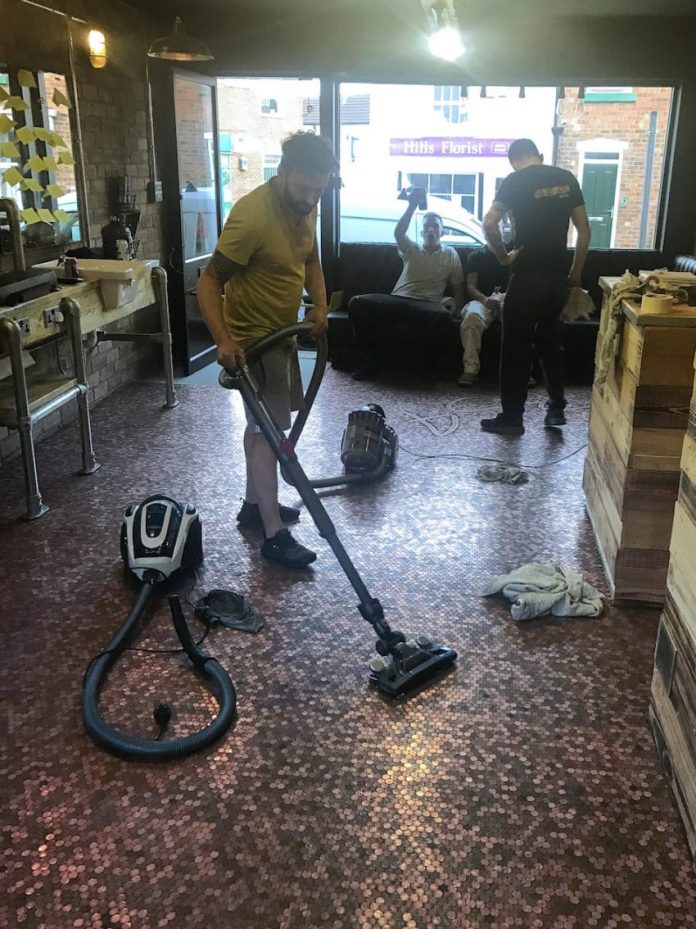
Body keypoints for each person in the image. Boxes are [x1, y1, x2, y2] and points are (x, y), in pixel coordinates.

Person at [196, 130, 338, 569]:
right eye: (304, 188)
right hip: (254, 343)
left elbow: (310, 259)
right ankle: (274, 535)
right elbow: (208, 281)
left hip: (284, 336)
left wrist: (319, 303)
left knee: (261, 426)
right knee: (269, 434)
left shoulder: (306, 205)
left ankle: (254, 506)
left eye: (318, 190)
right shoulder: (252, 216)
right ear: (284, 171)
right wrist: (224, 340)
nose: (311, 198)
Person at [480, 138, 591, 436]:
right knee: (551, 343)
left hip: (526, 277)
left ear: (513, 161)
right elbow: (584, 230)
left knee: (515, 347)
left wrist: (504, 258)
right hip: (557, 279)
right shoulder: (566, 178)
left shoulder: (514, 181)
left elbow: (489, 223)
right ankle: (556, 408)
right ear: (539, 155)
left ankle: (512, 418)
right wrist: (575, 273)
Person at [348, 188, 466, 380]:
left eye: (435, 226)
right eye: (427, 226)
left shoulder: (450, 254)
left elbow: (458, 286)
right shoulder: (412, 249)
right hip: (398, 300)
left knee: (443, 317)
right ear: (421, 231)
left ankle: (427, 371)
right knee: (357, 303)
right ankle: (370, 364)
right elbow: (399, 232)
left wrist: (459, 311)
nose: (430, 230)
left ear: (442, 232)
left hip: (427, 306)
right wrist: (412, 205)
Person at [457, 245, 509, 386]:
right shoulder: (476, 256)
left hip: (508, 300)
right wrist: (485, 300)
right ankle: (470, 369)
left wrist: (503, 298)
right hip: (482, 301)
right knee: (471, 317)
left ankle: (522, 370)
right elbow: (471, 286)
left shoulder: (513, 254)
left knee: (522, 318)